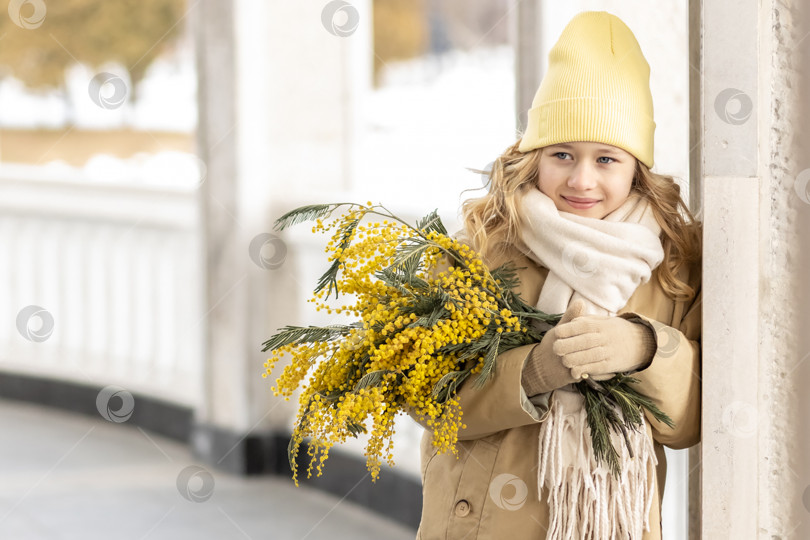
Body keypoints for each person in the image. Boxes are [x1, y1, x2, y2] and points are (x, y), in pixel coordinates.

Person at [415, 11, 702, 540]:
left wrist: (644, 349)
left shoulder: (673, 263)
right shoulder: (481, 244)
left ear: (636, 167)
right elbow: (424, 391)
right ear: (534, 157)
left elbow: (693, 422)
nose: (581, 179)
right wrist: (531, 373)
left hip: (608, 522)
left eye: (607, 159)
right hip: (481, 521)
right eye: (562, 154)